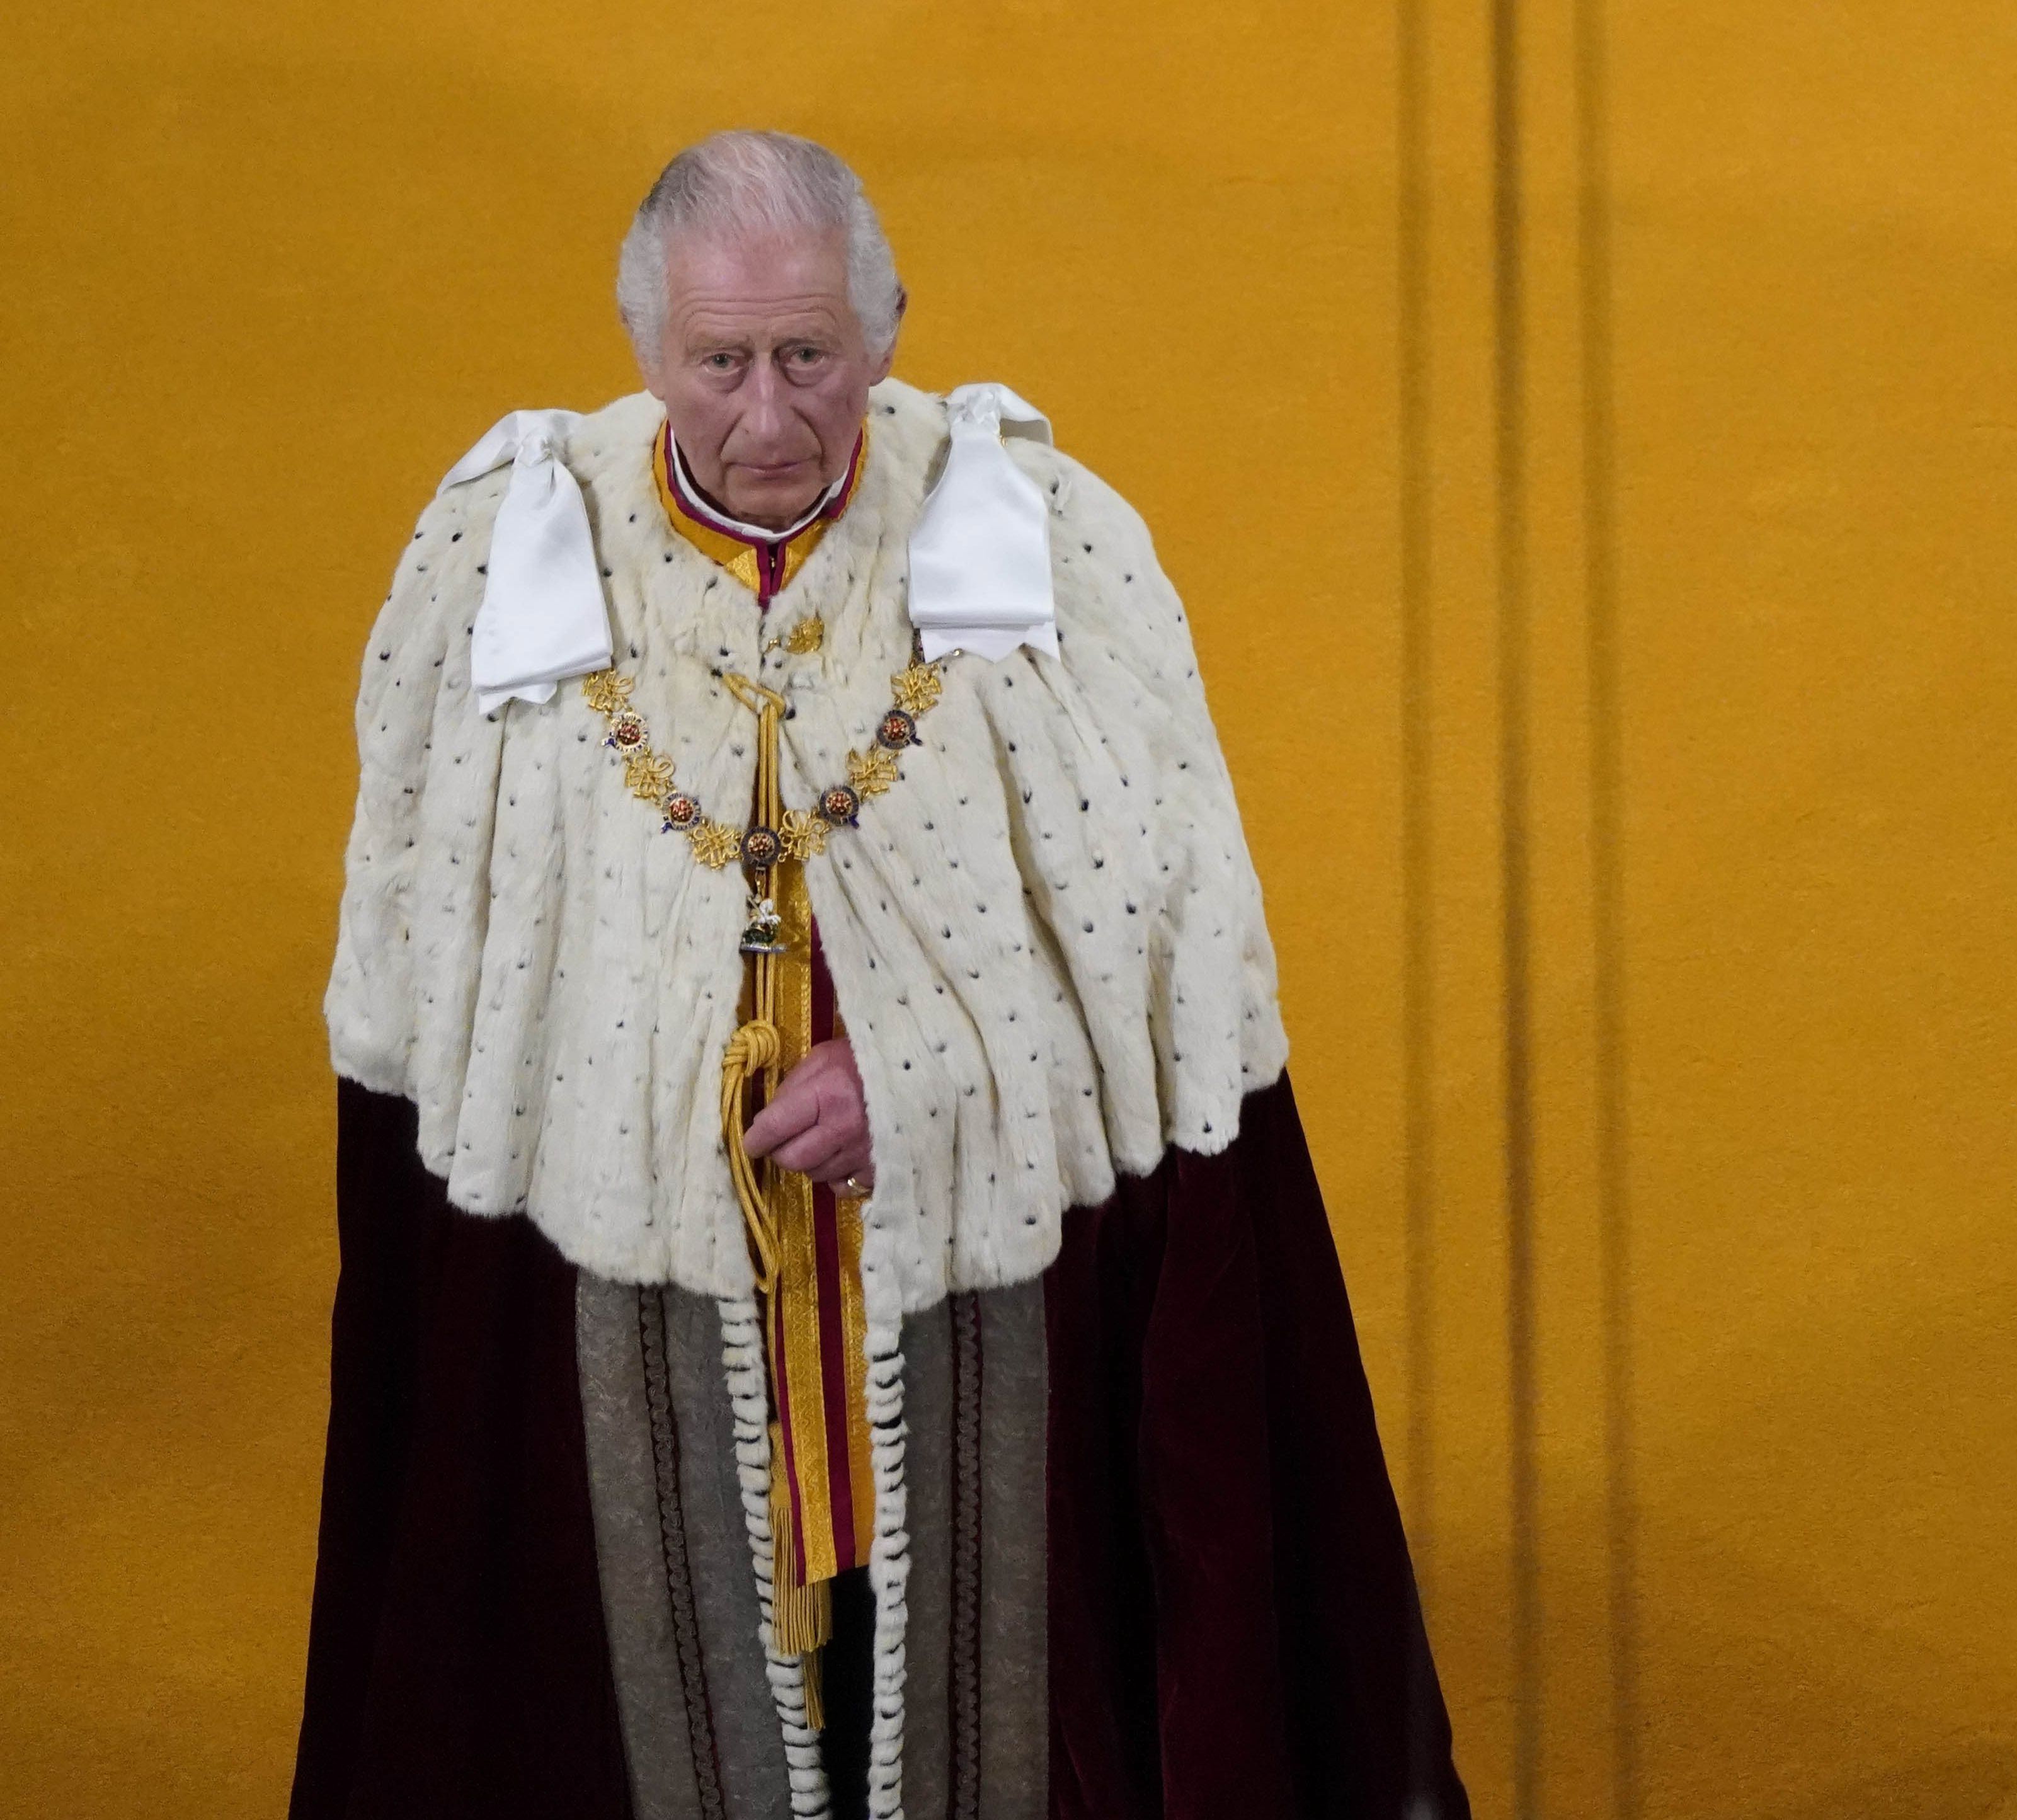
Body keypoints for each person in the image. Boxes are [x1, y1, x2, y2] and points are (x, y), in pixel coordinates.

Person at [295, 130, 1467, 1820]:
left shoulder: (1053, 547)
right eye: (720, 365)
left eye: (810, 359)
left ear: (891, 326)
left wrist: (924, 1073)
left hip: (978, 1316)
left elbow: (1175, 995)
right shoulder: (500, 566)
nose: (767, 418)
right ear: (643, 349)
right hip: (630, 1333)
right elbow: (436, 1001)